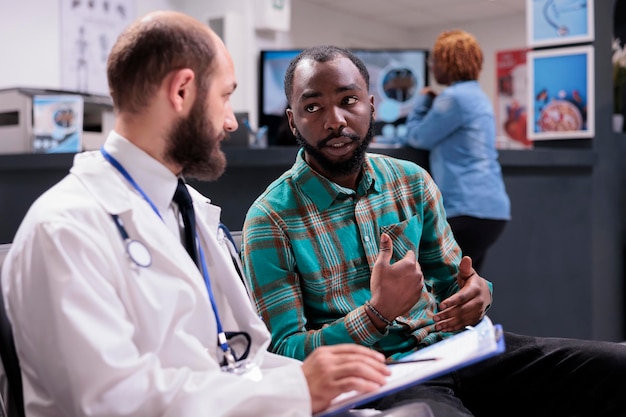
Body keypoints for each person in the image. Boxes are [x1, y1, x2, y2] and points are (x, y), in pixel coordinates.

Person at [0, 12, 407, 417]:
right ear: (182, 91)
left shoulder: (188, 209)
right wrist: (297, 392)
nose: (231, 122)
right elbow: (112, 402)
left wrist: (334, 393)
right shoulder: (66, 229)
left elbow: (242, 356)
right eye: (225, 97)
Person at [240, 45, 626, 417]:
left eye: (348, 100)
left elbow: (452, 283)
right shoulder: (270, 219)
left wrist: (477, 293)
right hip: (386, 373)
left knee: (616, 364)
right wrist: (376, 315)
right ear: (292, 120)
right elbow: (283, 354)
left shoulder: (411, 181)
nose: (335, 120)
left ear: (371, 106)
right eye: (313, 107)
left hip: (459, 351)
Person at [400, 30, 510, 273]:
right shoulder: (476, 96)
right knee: (465, 289)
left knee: (441, 287)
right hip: (492, 211)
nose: (432, 66)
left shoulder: (453, 98)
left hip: (465, 210)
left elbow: (417, 137)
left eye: (435, 60)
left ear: (449, 62)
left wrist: (421, 102)